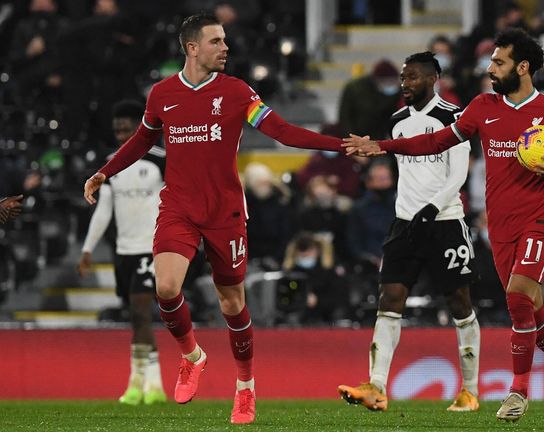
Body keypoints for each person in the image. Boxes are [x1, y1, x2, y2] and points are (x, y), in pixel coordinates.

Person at [82, 13, 345, 424]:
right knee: (166, 288)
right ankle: (192, 356)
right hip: (180, 207)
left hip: (225, 211)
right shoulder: (162, 94)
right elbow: (141, 140)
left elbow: (282, 131)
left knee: (231, 303)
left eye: (225, 41)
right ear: (192, 48)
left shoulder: (238, 92)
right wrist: (105, 171)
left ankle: (245, 388)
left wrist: (339, 146)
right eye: (217, 41)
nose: (226, 48)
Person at [343, 28, 544, 422]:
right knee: (532, 308)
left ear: (522, 67)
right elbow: (436, 142)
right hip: (501, 223)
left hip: (541, 216)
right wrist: (382, 145)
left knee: (516, 300)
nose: (490, 68)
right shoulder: (482, 107)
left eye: (499, 62)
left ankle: (518, 392)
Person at [337, 52, 481, 413]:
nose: (405, 84)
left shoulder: (454, 118)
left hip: (445, 222)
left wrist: (433, 208)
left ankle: (470, 390)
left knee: (460, 304)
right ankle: (376, 387)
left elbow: (457, 174)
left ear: (433, 78)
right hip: (405, 223)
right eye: (403, 77)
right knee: (389, 300)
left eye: (413, 77)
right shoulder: (398, 120)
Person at [77, 99, 167, 406]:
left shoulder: (160, 160)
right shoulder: (110, 165)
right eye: (117, 130)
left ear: (139, 127)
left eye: (126, 129)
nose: (121, 135)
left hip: (149, 248)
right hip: (123, 250)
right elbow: (103, 210)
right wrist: (88, 248)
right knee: (135, 316)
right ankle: (144, 381)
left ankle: (145, 382)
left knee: (142, 311)